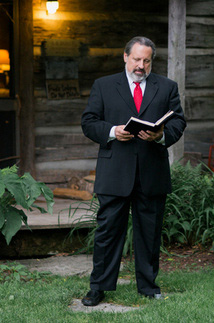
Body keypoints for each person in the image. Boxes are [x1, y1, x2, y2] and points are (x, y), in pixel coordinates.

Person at [80, 36, 187, 306]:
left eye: (146, 61)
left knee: (150, 233)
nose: (141, 65)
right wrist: (112, 131)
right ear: (125, 57)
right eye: (137, 59)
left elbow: (178, 122)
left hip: (152, 172)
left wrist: (161, 136)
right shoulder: (103, 86)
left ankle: (148, 286)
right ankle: (98, 287)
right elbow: (89, 122)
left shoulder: (167, 87)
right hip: (115, 171)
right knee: (107, 233)